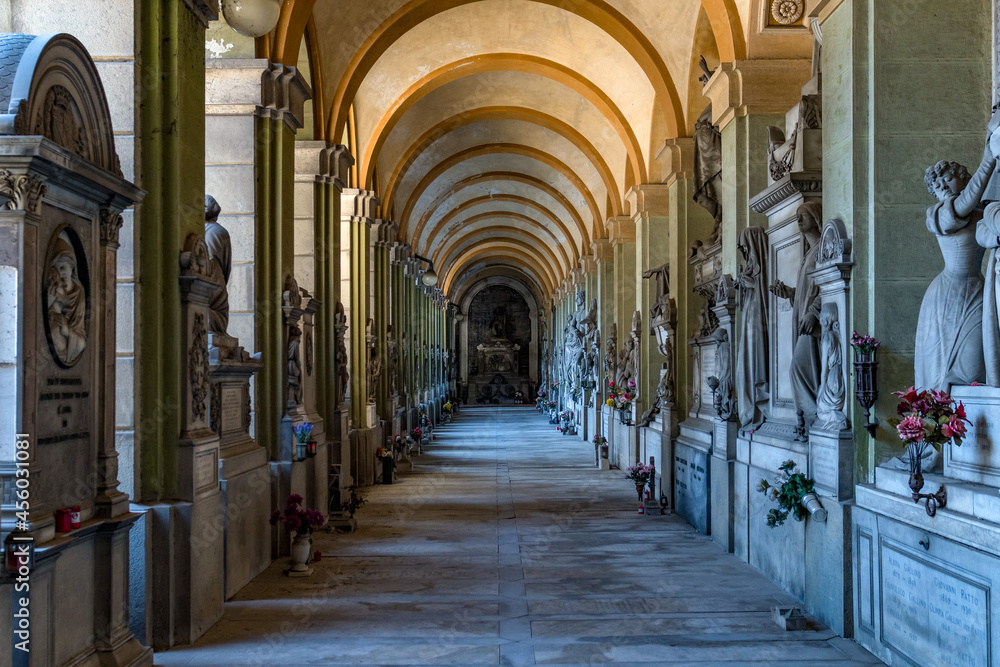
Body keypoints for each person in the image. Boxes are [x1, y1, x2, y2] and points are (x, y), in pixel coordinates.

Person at [916, 123, 997, 389]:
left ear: (963, 177)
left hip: (978, 290)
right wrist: (990, 156)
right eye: (938, 186)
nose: (944, 186)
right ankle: (942, 424)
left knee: (977, 366)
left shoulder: (982, 211)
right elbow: (965, 203)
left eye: (948, 178)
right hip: (946, 296)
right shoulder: (938, 214)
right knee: (950, 372)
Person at [771, 202, 823, 440]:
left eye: (803, 215)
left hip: (814, 323)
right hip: (802, 320)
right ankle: (806, 419)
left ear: (815, 217)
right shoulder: (808, 254)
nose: (799, 220)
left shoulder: (823, 249)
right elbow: (806, 289)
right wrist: (790, 293)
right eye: (797, 216)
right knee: (802, 370)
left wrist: (813, 312)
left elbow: (827, 287)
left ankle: (815, 418)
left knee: (799, 370)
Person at [736, 226, 769, 430]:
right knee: (743, 366)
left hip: (757, 322)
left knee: (755, 361)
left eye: (747, 248)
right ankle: (747, 412)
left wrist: (753, 284)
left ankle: (757, 407)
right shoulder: (750, 268)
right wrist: (743, 285)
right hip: (749, 320)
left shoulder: (765, 268)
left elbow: (765, 294)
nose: (746, 253)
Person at [46, 234, 87, 365]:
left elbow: (79, 324)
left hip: (72, 332)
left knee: (81, 343)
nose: (61, 272)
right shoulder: (54, 287)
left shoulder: (78, 292)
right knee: (54, 334)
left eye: (63, 267)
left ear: (72, 267)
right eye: (58, 269)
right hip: (55, 323)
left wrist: (67, 330)